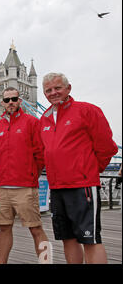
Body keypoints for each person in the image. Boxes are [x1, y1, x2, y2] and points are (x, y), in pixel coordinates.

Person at [41, 72, 118, 264]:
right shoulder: (44, 118)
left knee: (90, 239)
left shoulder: (88, 111)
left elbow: (107, 147)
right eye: (48, 90)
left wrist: (88, 170)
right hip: (57, 187)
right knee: (68, 238)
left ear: (68, 88)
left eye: (57, 88)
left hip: (82, 186)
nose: (53, 93)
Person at [0, 87, 50, 264]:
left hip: (25, 187)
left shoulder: (32, 122)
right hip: (2, 188)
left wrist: (31, 175)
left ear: (20, 100)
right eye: (7, 100)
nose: (11, 103)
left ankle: (45, 262)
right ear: (2, 102)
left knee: (36, 229)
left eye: (14, 99)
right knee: (4, 228)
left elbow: (41, 154)